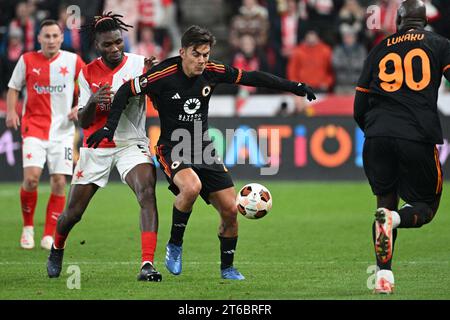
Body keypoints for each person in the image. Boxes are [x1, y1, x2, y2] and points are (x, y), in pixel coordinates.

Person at [86, 25, 316, 280]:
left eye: (206, 54)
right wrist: (109, 127)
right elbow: (126, 90)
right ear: (183, 52)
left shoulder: (213, 71)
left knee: (231, 210)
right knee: (191, 187)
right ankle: (174, 245)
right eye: (197, 54)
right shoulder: (162, 75)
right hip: (171, 148)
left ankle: (227, 268)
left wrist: (294, 86)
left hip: (203, 149)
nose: (202, 60)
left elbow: (252, 77)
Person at [46, 12, 162, 282]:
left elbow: (157, 95)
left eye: (118, 42)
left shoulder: (139, 64)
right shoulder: (87, 73)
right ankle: (57, 247)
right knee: (73, 214)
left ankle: (147, 264)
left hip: (131, 143)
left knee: (146, 192)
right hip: (96, 145)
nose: (114, 48)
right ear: (97, 45)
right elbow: (84, 120)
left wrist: (155, 79)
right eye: (107, 45)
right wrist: (94, 101)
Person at [354, 0, 450, 294]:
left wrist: (375, 132)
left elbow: (359, 105)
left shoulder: (380, 48)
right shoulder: (439, 44)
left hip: (376, 137)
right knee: (427, 207)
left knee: (384, 202)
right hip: (416, 136)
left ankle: (384, 278)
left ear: (398, 20)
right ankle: (395, 220)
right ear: (424, 20)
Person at [6, 19, 85, 250]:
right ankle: (28, 227)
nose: (51, 40)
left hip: (62, 131)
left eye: (55, 36)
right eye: (46, 36)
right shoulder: (27, 59)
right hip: (34, 127)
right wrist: (11, 111)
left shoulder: (73, 61)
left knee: (59, 181)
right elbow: (13, 87)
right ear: (39, 38)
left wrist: (79, 107)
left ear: (62, 38)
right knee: (31, 179)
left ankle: (49, 234)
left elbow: (91, 85)